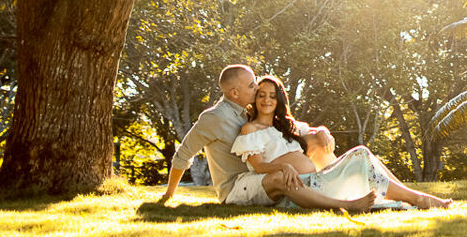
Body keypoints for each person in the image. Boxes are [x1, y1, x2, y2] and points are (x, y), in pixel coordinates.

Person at [158, 64, 376, 212]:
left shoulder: (250, 110)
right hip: (237, 187)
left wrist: (321, 131)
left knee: (315, 142)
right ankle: (342, 205)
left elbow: (295, 128)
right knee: (281, 177)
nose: (257, 87)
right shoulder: (213, 118)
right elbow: (183, 154)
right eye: (252, 85)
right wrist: (168, 195)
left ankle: (338, 184)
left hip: (261, 178)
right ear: (234, 92)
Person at [234, 75, 452, 210]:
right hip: (300, 188)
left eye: (272, 96)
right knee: (360, 155)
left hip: (318, 179)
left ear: (279, 100)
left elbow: (314, 130)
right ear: (255, 98)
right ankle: (418, 198)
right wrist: (283, 166)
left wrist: (323, 131)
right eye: (261, 95)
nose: (266, 100)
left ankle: (414, 196)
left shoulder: (286, 126)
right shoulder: (250, 129)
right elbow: (259, 166)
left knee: (363, 154)